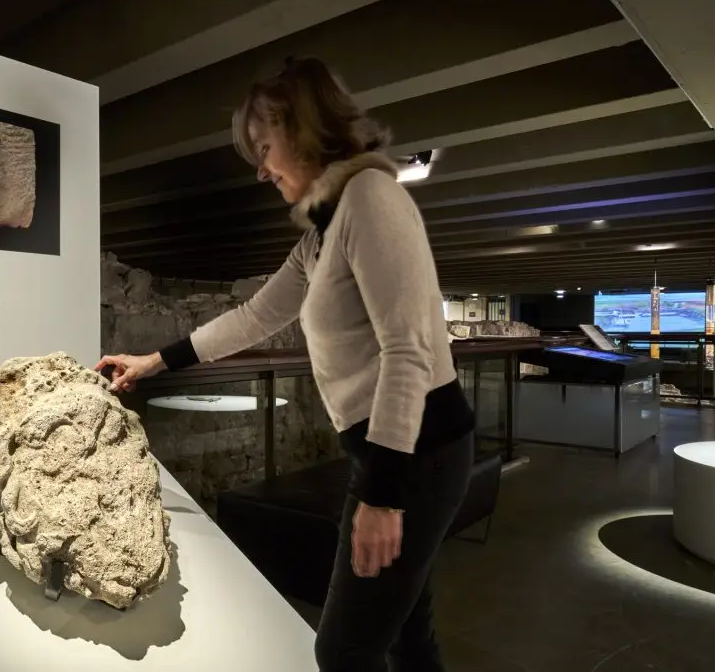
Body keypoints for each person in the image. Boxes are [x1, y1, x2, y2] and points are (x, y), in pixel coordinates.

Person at [95, 56, 476, 672]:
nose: (261, 170)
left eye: (264, 147)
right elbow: (252, 318)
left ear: (302, 130)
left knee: (345, 650)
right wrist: (154, 362)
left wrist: (381, 498)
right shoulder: (322, 233)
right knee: (405, 632)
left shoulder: (372, 198)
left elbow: (409, 351)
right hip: (393, 455)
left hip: (414, 456)